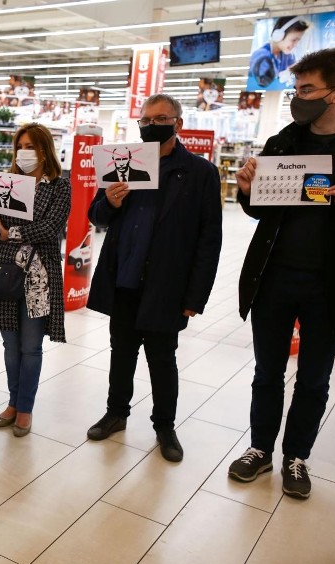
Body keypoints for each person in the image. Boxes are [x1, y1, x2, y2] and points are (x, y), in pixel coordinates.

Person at [229, 48, 335, 499]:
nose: (298, 97)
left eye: (307, 89)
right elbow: (262, 210)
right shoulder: (284, 141)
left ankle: (297, 456)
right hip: (274, 276)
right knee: (266, 372)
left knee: (314, 377)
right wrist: (245, 190)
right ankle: (260, 448)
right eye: (296, 89)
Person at [84, 94, 222, 463]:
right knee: (121, 353)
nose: (151, 125)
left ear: (177, 123)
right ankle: (116, 413)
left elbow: (209, 240)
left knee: (163, 358)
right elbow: (96, 216)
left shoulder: (200, 172)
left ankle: (164, 425)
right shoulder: (123, 163)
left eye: (160, 118)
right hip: (124, 277)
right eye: (145, 120)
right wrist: (109, 203)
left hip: (168, 283)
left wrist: (196, 296)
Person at [0, 123, 71, 437]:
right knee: (10, 346)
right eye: (20, 146)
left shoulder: (59, 186)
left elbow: (51, 228)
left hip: (38, 278)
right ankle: (13, 402)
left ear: (44, 150)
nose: (25, 152)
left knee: (30, 347)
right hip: (5, 274)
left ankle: (25, 407)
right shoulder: (5, 183)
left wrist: (12, 233)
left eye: (31, 146)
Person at [248, 16, 309, 90]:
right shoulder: (261, 56)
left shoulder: (288, 56)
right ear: (278, 36)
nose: (295, 45)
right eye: (293, 40)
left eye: (298, 41)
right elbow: (263, 83)